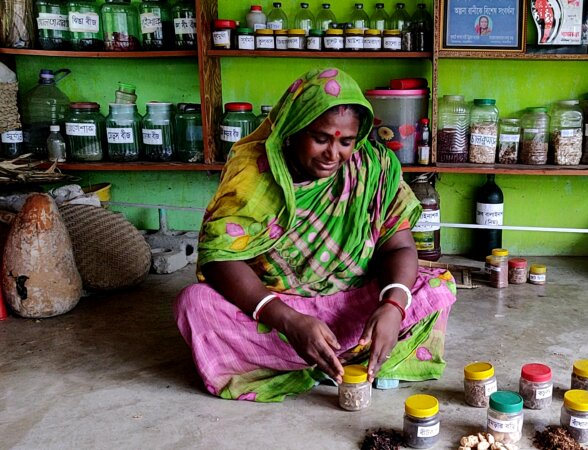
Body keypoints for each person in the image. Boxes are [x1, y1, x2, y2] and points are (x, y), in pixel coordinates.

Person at [174, 68, 457, 403]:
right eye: (321, 138)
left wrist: (393, 305)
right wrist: (290, 320)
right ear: (294, 130)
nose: (333, 154)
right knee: (195, 305)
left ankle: (329, 359)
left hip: (349, 302)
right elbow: (221, 259)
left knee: (436, 288)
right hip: (276, 309)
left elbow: (399, 246)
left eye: (346, 142)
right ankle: (342, 360)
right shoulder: (255, 173)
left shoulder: (372, 167)